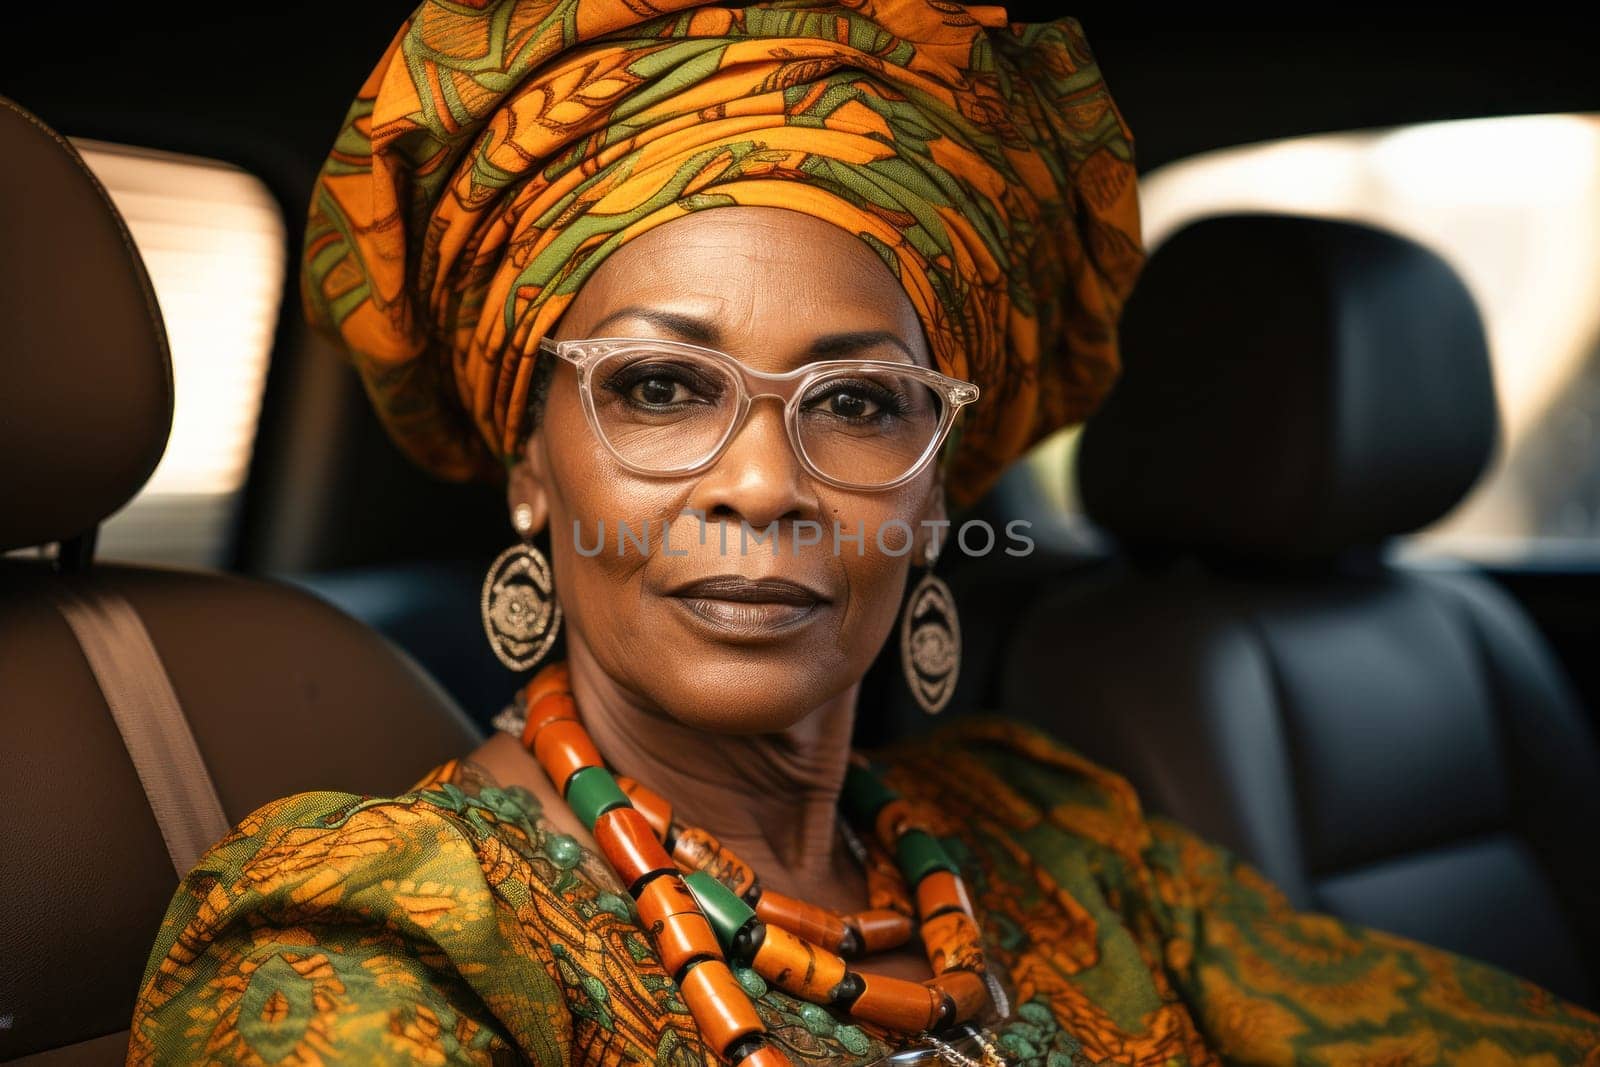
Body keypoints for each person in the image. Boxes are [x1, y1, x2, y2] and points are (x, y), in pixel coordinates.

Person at [129, 1, 1600, 1064]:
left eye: (859, 404)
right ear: (532, 464)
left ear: (940, 487)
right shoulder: (375, 939)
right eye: (657, 387)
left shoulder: (1061, 841)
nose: (764, 484)